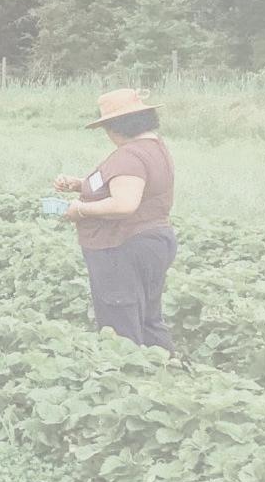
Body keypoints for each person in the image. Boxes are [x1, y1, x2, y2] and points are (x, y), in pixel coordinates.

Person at [54, 88, 176, 351]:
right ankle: (166, 367)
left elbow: (124, 204)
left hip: (123, 247)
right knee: (149, 319)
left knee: (119, 322)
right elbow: (128, 185)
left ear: (116, 126)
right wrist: (80, 184)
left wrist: (80, 210)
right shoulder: (153, 147)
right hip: (154, 241)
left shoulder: (129, 156)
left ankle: (127, 372)